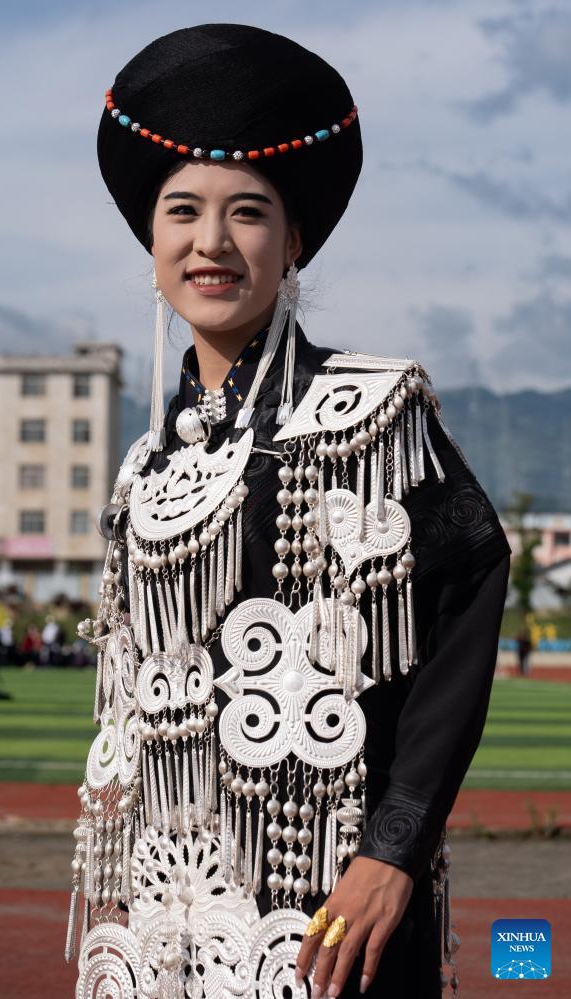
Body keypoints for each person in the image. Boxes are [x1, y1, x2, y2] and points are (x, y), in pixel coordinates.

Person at [66, 24, 510, 998]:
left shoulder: (371, 415)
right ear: (152, 243)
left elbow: (470, 586)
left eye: (248, 213)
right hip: (168, 919)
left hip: (328, 914)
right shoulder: (145, 467)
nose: (211, 242)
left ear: (293, 240)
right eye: (182, 211)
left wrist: (394, 848)